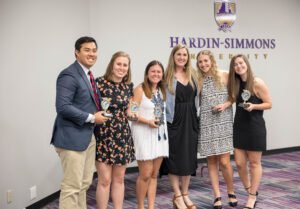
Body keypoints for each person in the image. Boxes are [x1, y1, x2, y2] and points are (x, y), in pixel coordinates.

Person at [51, 36, 108, 209]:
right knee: (72, 187)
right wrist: (92, 118)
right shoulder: (69, 74)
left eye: (94, 50)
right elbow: (62, 107)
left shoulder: (88, 75)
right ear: (76, 52)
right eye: (87, 50)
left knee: (83, 185)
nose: (92, 53)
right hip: (71, 138)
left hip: (87, 137)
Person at [227, 54, 272, 209]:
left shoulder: (257, 82)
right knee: (239, 163)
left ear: (246, 63)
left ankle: (252, 197)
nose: (239, 66)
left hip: (254, 127)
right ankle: (250, 190)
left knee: (254, 163)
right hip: (239, 126)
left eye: (241, 63)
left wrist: (254, 106)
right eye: (235, 64)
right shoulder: (235, 82)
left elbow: (269, 104)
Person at [196, 50, 237, 209]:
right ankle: (217, 195)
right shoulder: (198, 79)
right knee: (211, 161)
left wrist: (225, 105)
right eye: (200, 62)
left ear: (211, 60)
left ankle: (231, 191)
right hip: (206, 122)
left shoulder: (225, 75)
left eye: (206, 61)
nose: (203, 64)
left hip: (223, 120)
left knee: (225, 162)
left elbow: (233, 96)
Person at [160, 44, 199, 209]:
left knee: (188, 158)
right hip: (174, 122)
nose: (182, 57)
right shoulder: (166, 76)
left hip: (191, 121)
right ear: (173, 56)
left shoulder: (193, 75)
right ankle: (177, 195)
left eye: (185, 54)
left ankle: (185, 194)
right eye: (179, 54)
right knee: (175, 159)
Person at [94, 51, 135, 209]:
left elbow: (130, 110)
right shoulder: (99, 83)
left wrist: (134, 114)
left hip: (122, 136)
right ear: (112, 65)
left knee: (119, 179)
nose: (122, 67)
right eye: (119, 64)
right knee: (104, 180)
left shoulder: (128, 87)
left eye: (125, 65)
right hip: (104, 136)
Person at [130, 60, 169, 209]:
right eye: (153, 71)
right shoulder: (140, 90)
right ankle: (141, 206)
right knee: (145, 174)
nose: (156, 74)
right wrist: (147, 121)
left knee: (154, 174)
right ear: (147, 73)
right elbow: (131, 113)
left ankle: (151, 206)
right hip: (144, 135)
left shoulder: (161, 90)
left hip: (160, 136)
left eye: (159, 72)